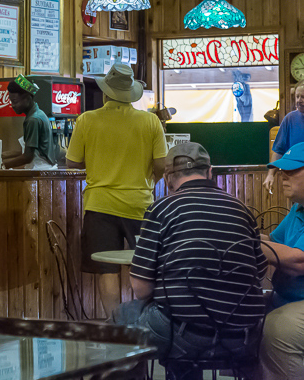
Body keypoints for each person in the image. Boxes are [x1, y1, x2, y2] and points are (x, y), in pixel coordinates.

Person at [112, 142, 266, 380]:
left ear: (168, 178)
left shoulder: (161, 209)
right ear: (210, 171)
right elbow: (259, 273)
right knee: (176, 314)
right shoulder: (242, 210)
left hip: (182, 337)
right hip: (243, 337)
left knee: (121, 317)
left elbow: (141, 289)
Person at [66, 63, 167, 316]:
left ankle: (114, 324)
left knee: (106, 269)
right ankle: (146, 321)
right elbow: (161, 165)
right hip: (140, 204)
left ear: (106, 92)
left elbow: (72, 163)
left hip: (99, 204)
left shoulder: (87, 120)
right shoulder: (151, 121)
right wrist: (149, 183)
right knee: (145, 266)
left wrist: (97, 161)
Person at [259, 141, 304, 380]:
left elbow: (298, 262)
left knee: (279, 328)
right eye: (281, 170)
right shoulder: (298, 208)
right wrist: (237, 231)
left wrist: (247, 242)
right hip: (289, 297)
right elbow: (274, 242)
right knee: (242, 316)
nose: (282, 176)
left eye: (292, 170)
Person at [1, 73, 57, 170]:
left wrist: (3, 165)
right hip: (41, 168)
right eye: (11, 101)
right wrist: (2, 155)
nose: (13, 105)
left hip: (39, 169)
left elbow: (28, 156)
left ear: (27, 98)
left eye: (15, 101)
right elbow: (28, 149)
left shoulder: (33, 120)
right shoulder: (38, 114)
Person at [264, 80, 304, 192]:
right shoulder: (289, 119)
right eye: (297, 97)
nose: (299, 100)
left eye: (303, 97)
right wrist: (270, 175)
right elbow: (278, 151)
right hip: (294, 179)